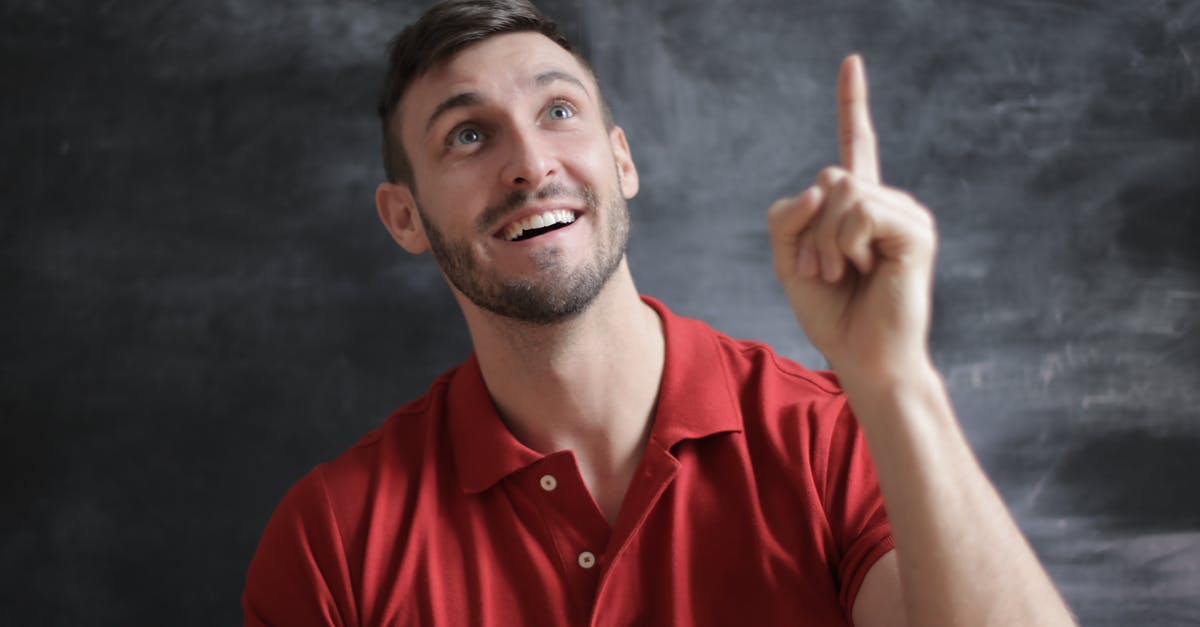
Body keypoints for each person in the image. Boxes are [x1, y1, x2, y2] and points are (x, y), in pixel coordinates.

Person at [244, 0, 1077, 625]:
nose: (530, 164)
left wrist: (897, 379)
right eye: (468, 135)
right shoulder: (332, 541)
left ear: (622, 161)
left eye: (558, 111)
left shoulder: (840, 439)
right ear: (404, 218)